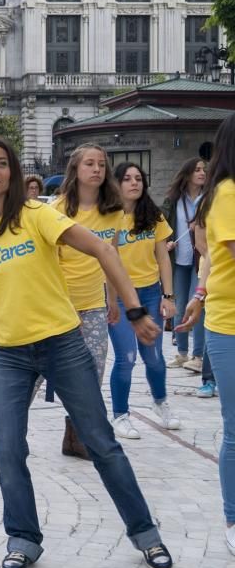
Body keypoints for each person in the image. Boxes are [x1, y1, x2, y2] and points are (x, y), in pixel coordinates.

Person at [0, 134, 173, 568]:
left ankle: (145, 532)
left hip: (63, 344)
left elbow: (104, 249)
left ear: (10, 172)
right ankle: (23, 538)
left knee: (101, 443)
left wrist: (136, 308)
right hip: (7, 355)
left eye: (1, 163)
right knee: (5, 448)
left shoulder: (37, 215)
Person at [176, 112, 235, 554]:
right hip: (231, 326)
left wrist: (198, 292)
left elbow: (211, 259)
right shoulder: (228, 194)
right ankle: (234, 518)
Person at [50, 144, 123, 457]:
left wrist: (114, 299)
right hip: (57, 304)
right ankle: (8, 433)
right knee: (39, 372)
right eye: (89, 164)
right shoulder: (56, 210)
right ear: (75, 170)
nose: (96, 169)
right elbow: (48, 261)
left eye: (102, 165)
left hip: (94, 303)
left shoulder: (114, 212)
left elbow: (112, 257)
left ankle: (77, 435)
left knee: (92, 371)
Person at [108, 162, 180, 436]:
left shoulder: (154, 216)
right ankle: (120, 414)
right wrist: (111, 301)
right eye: (127, 179)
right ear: (117, 184)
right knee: (126, 358)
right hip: (122, 297)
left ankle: (160, 402)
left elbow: (163, 257)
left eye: (138, 178)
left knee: (155, 357)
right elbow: (107, 261)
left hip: (150, 293)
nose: (134, 183)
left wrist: (168, 296)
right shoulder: (110, 218)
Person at [162, 157, 208, 372]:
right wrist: (167, 242)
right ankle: (182, 353)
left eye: (204, 170)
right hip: (179, 260)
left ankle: (198, 356)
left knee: (196, 306)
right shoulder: (174, 200)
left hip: (201, 260)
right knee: (179, 307)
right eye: (197, 170)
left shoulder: (209, 198)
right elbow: (163, 226)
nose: (202, 173)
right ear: (187, 173)